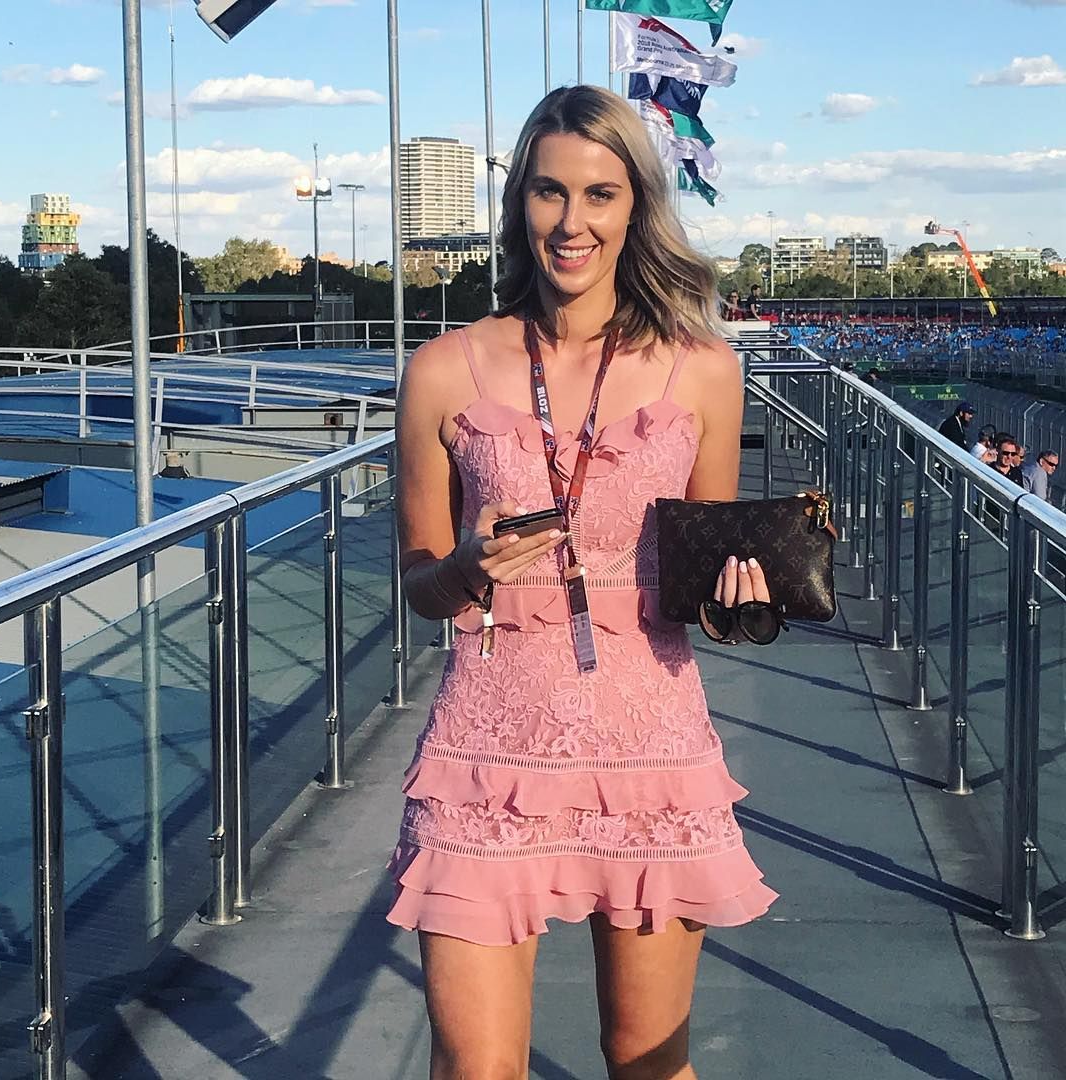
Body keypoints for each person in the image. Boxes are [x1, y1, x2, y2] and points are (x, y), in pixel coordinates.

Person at [389, 85, 776, 1080]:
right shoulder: (441, 370)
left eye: (601, 194)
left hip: (652, 750)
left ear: (636, 207)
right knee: (475, 1070)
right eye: (550, 192)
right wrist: (463, 569)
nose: (573, 222)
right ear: (519, 201)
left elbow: (705, 580)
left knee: (647, 1064)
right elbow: (419, 582)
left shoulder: (703, 369)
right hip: (486, 755)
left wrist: (738, 604)